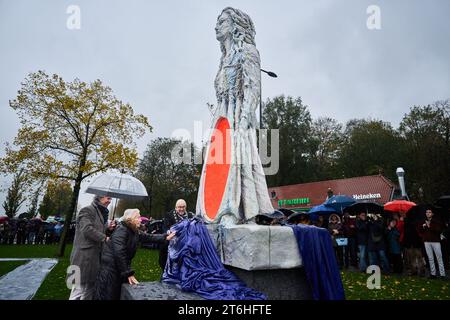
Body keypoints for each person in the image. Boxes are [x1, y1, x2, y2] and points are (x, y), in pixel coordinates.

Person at [196, 7, 275, 225]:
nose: (216, 26)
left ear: (235, 25)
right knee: (217, 165)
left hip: (238, 116)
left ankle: (234, 211)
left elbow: (252, 89)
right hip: (222, 116)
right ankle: (212, 211)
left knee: (238, 163)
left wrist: (243, 123)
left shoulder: (248, 51)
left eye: (221, 21)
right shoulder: (223, 60)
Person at [94, 209, 175, 300]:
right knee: (107, 296)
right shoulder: (121, 231)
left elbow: (148, 237)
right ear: (131, 219)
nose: (140, 220)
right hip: (110, 271)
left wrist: (166, 237)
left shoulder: (134, 231)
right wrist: (128, 273)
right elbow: (119, 253)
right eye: (138, 217)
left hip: (120, 269)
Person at [68, 195, 112, 300]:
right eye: (108, 198)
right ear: (100, 198)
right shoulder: (87, 210)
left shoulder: (101, 213)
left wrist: (108, 228)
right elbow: (87, 229)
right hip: (83, 257)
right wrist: (104, 238)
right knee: (78, 290)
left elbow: (98, 228)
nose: (110, 201)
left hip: (94, 258)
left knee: (89, 290)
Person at [159, 199, 194, 269]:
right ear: (176, 207)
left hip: (185, 244)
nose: (181, 209)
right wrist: (169, 232)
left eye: (183, 207)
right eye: (179, 207)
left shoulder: (190, 216)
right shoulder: (169, 215)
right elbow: (165, 228)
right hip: (172, 242)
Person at [418, 208, 446, 279]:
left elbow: (438, 230)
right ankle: (433, 274)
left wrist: (429, 226)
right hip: (427, 242)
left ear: (432, 214)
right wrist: (423, 227)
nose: (428, 213)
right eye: (427, 212)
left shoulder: (436, 221)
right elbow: (420, 231)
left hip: (436, 242)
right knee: (430, 258)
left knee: (439, 258)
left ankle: (442, 274)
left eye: (429, 212)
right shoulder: (423, 221)